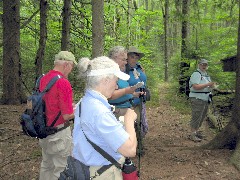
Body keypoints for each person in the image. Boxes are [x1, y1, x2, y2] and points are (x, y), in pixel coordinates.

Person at [72, 56, 137, 179]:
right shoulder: (100, 112)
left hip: (86, 169)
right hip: (102, 173)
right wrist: (129, 120)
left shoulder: (84, 102)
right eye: (116, 81)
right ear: (106, 80)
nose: (117, 86)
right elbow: (130, 150)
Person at [39, 51, 77, 180]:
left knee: (46, 165)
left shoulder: (43, 78)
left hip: (44, 130)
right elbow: (67, 115)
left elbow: (50, 103)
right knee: (61, 169)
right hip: (59, 132)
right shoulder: (63, 82)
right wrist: (78, 110)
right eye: (72, 66)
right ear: (66, 64)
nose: (71, 70)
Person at [108, 46, 142, 120]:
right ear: (114, 58)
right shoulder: (108, 74)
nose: (126, 62)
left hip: (127, 109)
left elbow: (121, 89)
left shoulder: (120, 72)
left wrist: (134, 94)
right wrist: (126, 91)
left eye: (126, 60)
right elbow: (109, 95)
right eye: (123, 60)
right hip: (116, 112)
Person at [126, 46, 148, 155]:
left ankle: (139, 145)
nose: (134, 59)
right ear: (127, 57)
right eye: (132, 57)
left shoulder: (138, 67)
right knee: (131, 124)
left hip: (139, 100)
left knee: (139, 123)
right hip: (129, 102)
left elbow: (143, 80)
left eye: (136, 57)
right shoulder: (123, 70)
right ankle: (132, 147)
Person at [189, 59, 216, 142]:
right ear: (199, 65)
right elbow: (195, 86)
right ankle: (192, 134)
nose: (204, 66)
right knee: (197, 116)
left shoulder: (206, 75)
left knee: (202, 116)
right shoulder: (196, 74)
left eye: (205, 65)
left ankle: (196, 132)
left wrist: (212, 86)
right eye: (203, 65)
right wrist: (208, 84)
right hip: (197, 98)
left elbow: (207, 86)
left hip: (205, 98)